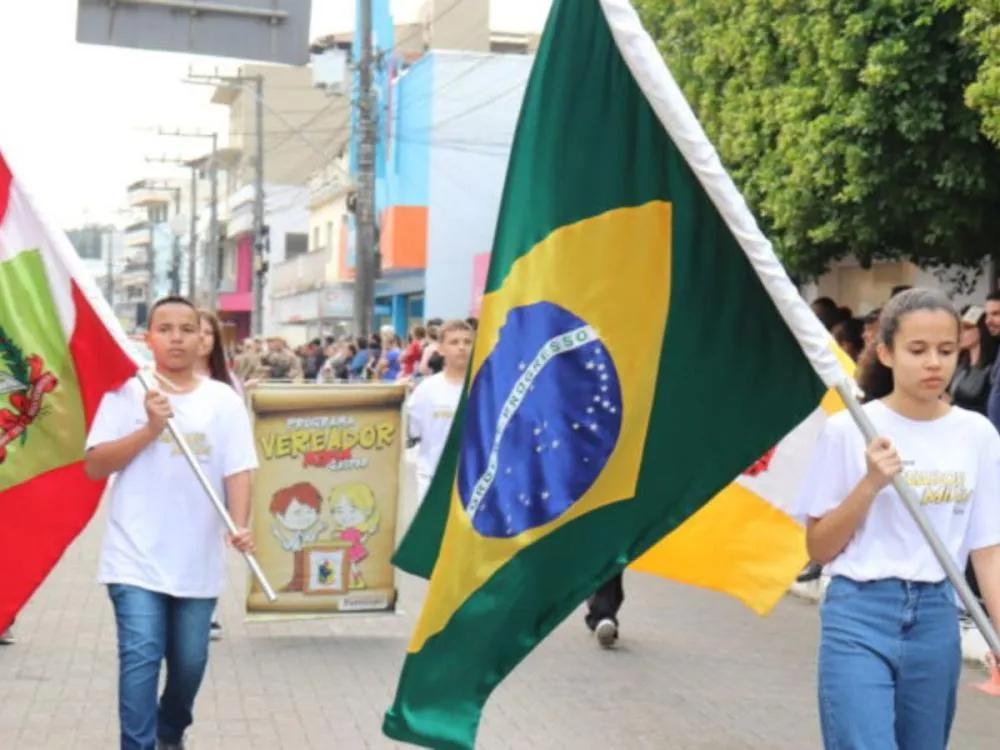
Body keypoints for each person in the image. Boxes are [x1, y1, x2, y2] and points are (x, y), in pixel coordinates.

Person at [798, 288, 1000, 749]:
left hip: (936, 616)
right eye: (917, 350)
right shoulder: (849, 430)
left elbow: (987, 549)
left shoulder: (976, 435)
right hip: (859, 612)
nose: (934, 363)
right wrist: (869, 484)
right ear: (886, 352)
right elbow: (819, 548)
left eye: (946, 351)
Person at [84, 295, 259, 750]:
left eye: (187, 328)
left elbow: (238, 468)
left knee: (189, 664)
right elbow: (96, 465)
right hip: (133, 557)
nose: (176, 337)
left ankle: (171, 729)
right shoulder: (126, 392)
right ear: (149, 337)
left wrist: (240, 524)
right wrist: (149, 429)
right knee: (139, 659)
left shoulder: (223, 400)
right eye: (166, 329)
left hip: (196, 562)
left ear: (203, 338)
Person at [407, 320, 473, 502]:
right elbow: (410, 432)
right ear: (441, 349)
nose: (462, 347)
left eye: (467, 342)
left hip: (473, 483)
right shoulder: (426, 390)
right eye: (454, 342)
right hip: (432, 480)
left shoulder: (485, 388)